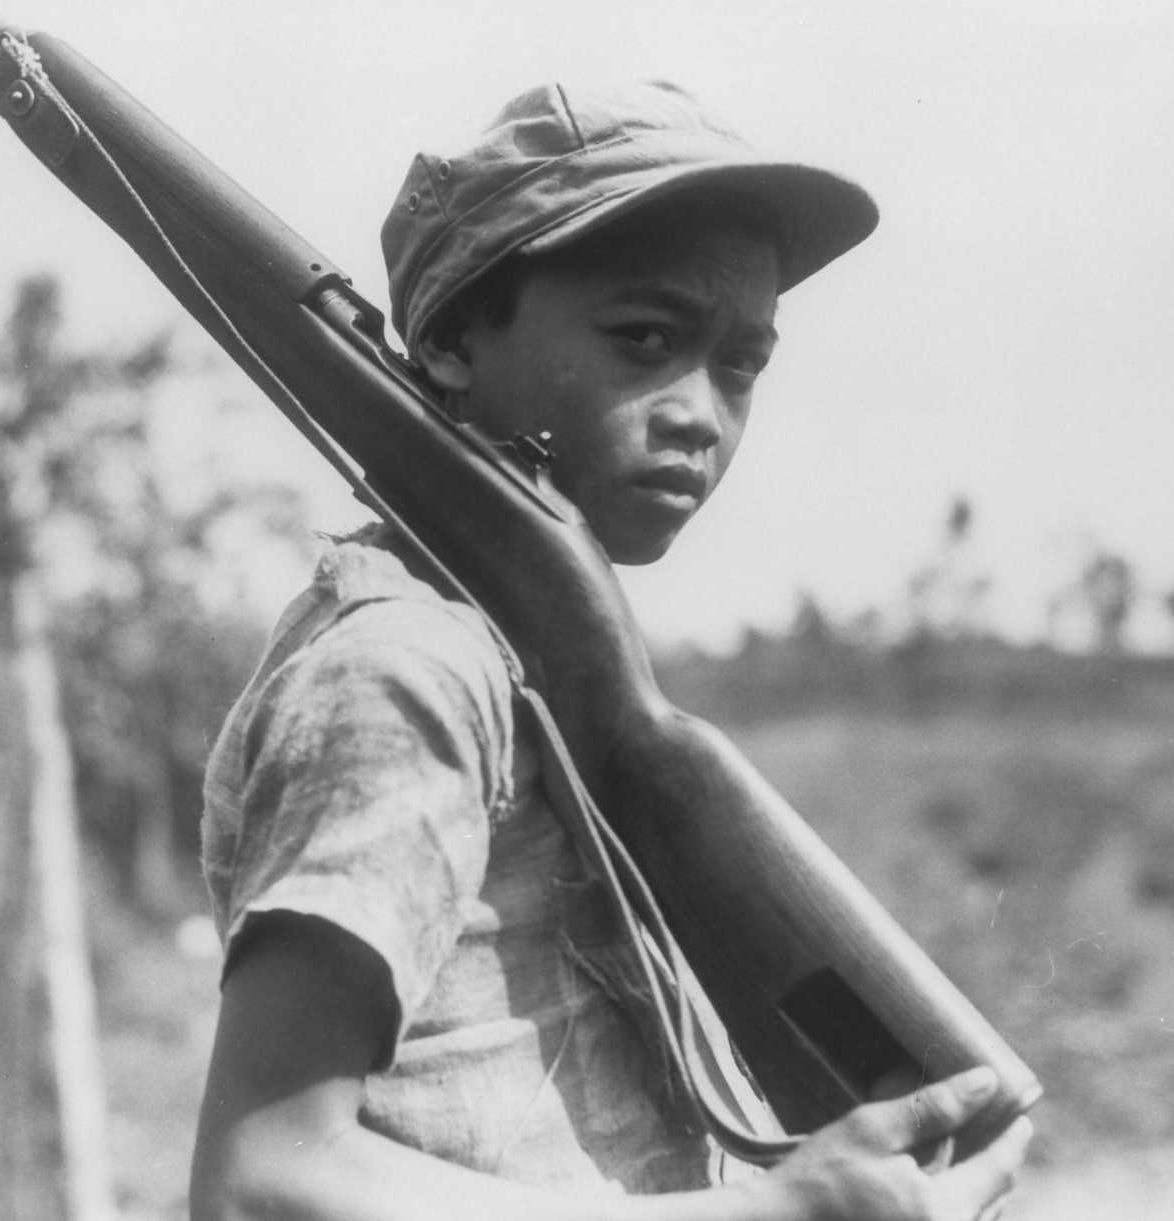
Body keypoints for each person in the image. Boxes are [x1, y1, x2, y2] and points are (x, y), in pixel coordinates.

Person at [189, 80, 1033, 1221]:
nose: (699, 413)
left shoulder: (530, 662)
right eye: (644, 340)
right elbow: (263, 1179)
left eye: (741, 364)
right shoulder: (407, 669)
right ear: (446, 344)